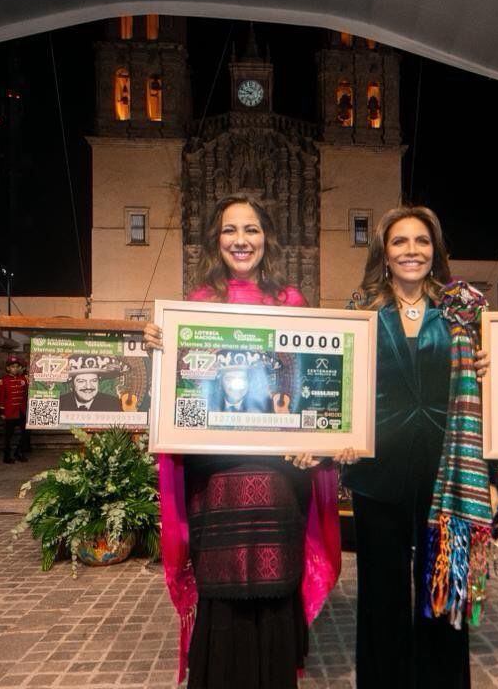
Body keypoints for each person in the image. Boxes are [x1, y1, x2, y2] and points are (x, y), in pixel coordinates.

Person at [143, 194, 347, 689]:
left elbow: (306, 387)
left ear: (266, 238)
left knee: (274, 590)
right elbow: (180, 390)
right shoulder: (196, 306)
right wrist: (159, 348)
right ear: (217, 240)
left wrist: (318, 438)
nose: (241, 240)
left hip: (278, 477)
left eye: (251, 229)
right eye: (230, 230)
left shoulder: (291, 303)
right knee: (222, 589)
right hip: (216, 477)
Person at [342, 205, 493, 689]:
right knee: (381, 595)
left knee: (444, 594)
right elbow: (339, 387)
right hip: (377, 473)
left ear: (436, 251)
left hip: (448, 472)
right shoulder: (360, 311)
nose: (412, 251)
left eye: (422, 242)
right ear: (384, 253)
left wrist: (493, 364)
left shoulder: (465, 310)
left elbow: (494, 385)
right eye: (400, 242)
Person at [0, 356, 30, 464]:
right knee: (8, 436)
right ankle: (7, 456)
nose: (15, 369)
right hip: (10, 411)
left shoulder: (24, 379)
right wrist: (1, 411)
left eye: (17, 367)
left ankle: (18, 452)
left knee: (25, 433)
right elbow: (1, 396)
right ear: (8, 368)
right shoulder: (3, 380)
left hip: (22, 410)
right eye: (12, 367)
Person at [57, 365, 124, 412]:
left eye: (93, 381)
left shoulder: (113, 403)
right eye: (81, 381)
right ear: (72, 384)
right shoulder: (59, 403)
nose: (88, 386)